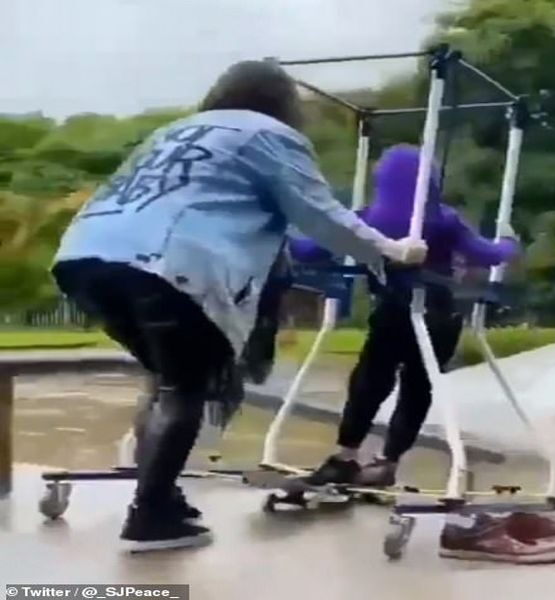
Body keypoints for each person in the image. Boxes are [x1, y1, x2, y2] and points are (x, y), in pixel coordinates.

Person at [50, 60, 428, 553]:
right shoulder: (269, 135)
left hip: (85, 257)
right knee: (183, 388)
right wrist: (393, 251)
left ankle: (160, 495)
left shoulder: (175, 132)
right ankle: (150, 516)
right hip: (168, 261)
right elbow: (321, 215)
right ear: (282, 103)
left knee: (166, 380)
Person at [290, 144, 520, 487]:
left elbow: (308, 251)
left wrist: (283, 225)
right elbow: (487, 255)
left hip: (392, 311)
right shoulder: (445, 220)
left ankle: (345, 455)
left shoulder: (366, 218)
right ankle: (388, 461)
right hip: (439, 315)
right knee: (418, 389)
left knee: (369, 382)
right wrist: (509, 242)